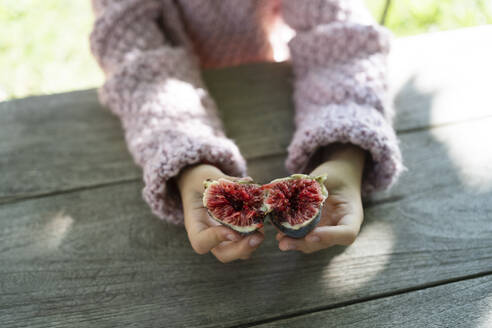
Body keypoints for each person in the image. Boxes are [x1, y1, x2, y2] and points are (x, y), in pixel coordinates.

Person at [90, 0, 404, 263]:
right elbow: (138, 65)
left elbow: (341, 36)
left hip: (265, 86)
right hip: (183, 103)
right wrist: (187, 159)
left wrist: (344, 151)